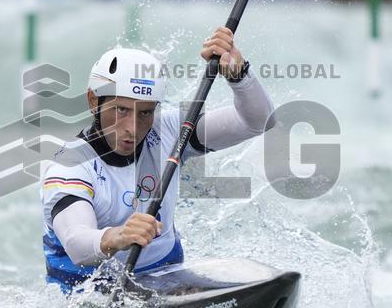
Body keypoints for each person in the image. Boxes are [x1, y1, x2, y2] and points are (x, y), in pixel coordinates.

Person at [39, 28, 275, 291]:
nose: (133, 127)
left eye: (145, 113)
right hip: (90, 293)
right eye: (121, 110)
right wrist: (118, 236)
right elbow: (77, 244)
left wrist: (239, 76)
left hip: (167, 278)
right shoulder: (67, 164)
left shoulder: (170, 130)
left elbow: (256, 121)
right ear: (93, 101)